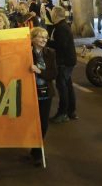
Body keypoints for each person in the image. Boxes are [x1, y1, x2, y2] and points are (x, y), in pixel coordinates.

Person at [30, 27, 58, 167]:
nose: (44, 40)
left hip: (46, 93)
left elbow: (53, 74)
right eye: (41, 37)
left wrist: (39, 71)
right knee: (32, 123)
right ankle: (35, 148)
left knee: (43, 124)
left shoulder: (50, 53)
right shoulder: (26, 52)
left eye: (46, 37)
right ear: (33, 38)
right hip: (30, 93)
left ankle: (37, 151)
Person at [48, 6, 77, 123]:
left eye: (52, 13)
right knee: (68, 86)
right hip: (67, 61)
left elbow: (61, 46)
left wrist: (46, 41)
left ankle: (63, 113)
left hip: (64, 62)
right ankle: (71, 111)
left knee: (62, 88)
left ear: (55, 15)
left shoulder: (61, 28)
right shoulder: (62, 26)